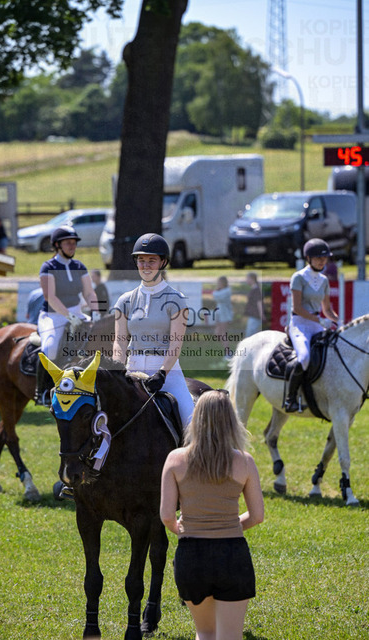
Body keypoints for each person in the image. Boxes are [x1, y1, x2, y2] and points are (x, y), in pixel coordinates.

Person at [160, 389, 264, 640]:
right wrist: (228, 525)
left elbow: (166, 516)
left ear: (196, 419)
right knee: (230, 636)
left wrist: (183, 529)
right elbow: (257, 516)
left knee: (205, 632)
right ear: (231, 421)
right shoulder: (245, 461)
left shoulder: (175, 459)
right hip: (232, 555)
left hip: (191, 556)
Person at [112, 233, 194, 429]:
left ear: (163, 262)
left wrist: (162, 373)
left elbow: (176, 343)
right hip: (133, 370)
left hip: (167, 373)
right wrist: (117, 371)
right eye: (141, 260)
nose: (146, 266)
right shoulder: (125, 300)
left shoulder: (176, 299)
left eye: (152, 261)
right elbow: (120, 341)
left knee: (191, 424)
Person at [35, 224, 99, 406]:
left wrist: (96, 312)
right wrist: (69, 317)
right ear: (57, 245)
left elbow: (89, 293)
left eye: (74, 243)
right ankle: (42, 391)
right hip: (53, 315)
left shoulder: (79, 266)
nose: (72, 246)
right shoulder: (48, 267)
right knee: (50, 348)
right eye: (68, 243)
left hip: (77, 312)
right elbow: (50, 297)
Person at [285, 238, 339, 413]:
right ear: (308, 258)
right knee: (304, 357)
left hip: (316, 324)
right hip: (300, 324)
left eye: (325, 257)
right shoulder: (298, 277)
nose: (322, 261)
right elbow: (297, 308)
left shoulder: (324, 280)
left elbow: (327, 309)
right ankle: (290, 399)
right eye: (318, 258)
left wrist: (338, 321)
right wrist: (320, 320)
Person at [212, 276, 234, 360]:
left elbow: (217, 296)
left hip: (225, 314)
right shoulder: (220, 291)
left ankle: (228, 353)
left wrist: (215, 292)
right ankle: (227, 351)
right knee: (218, 333)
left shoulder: (227, 291)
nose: (218, 284)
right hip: (219, 313)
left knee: (223, 333)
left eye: (220, 283)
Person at [243, 272, 265, 337]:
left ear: (252, 279)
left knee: (249, 336)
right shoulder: (254, 289)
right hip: (253, 316)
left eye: (247, 278)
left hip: (255, 316)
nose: (246, 280)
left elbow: (259, 303)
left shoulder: (256, 290)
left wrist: (261, 315)